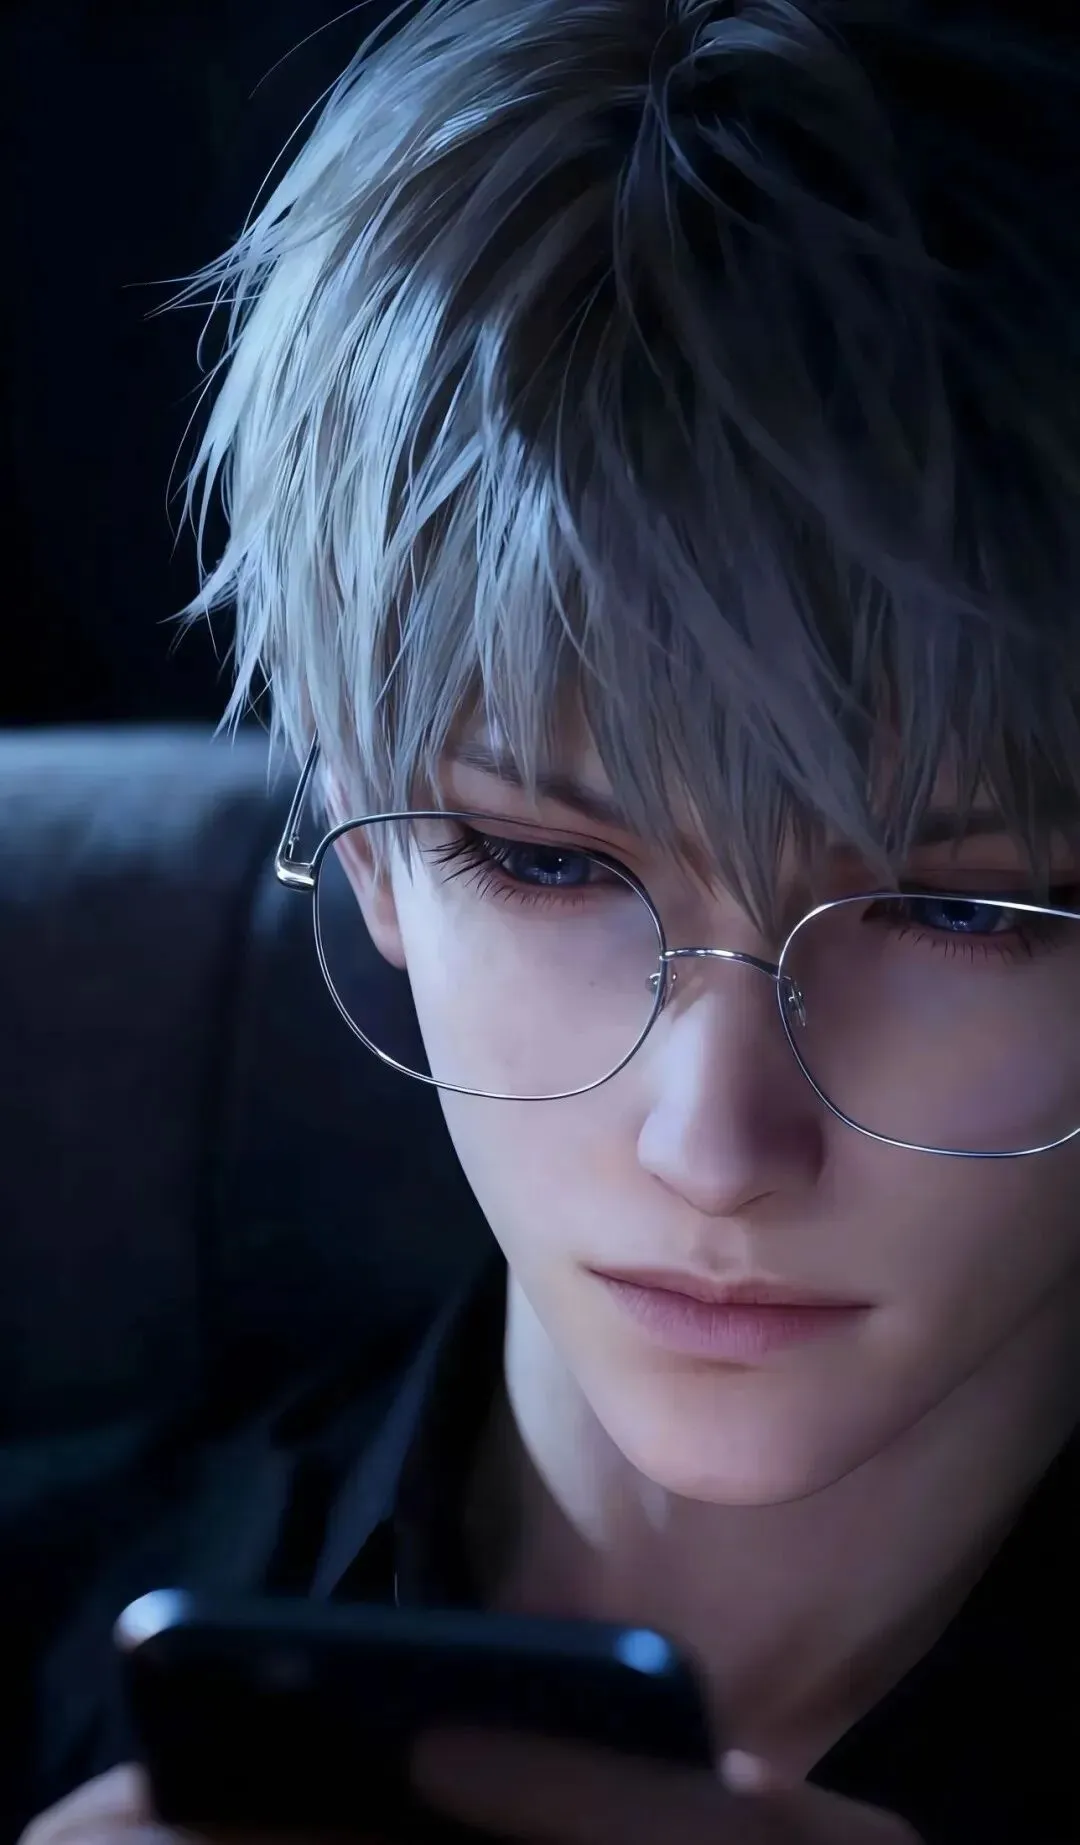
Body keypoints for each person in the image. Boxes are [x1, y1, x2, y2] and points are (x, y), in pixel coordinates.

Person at [22, 1, 1080, 1840]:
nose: (715, 1149)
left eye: (949, 908)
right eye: (548, 863)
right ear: (365, 848)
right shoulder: (45, 1642)